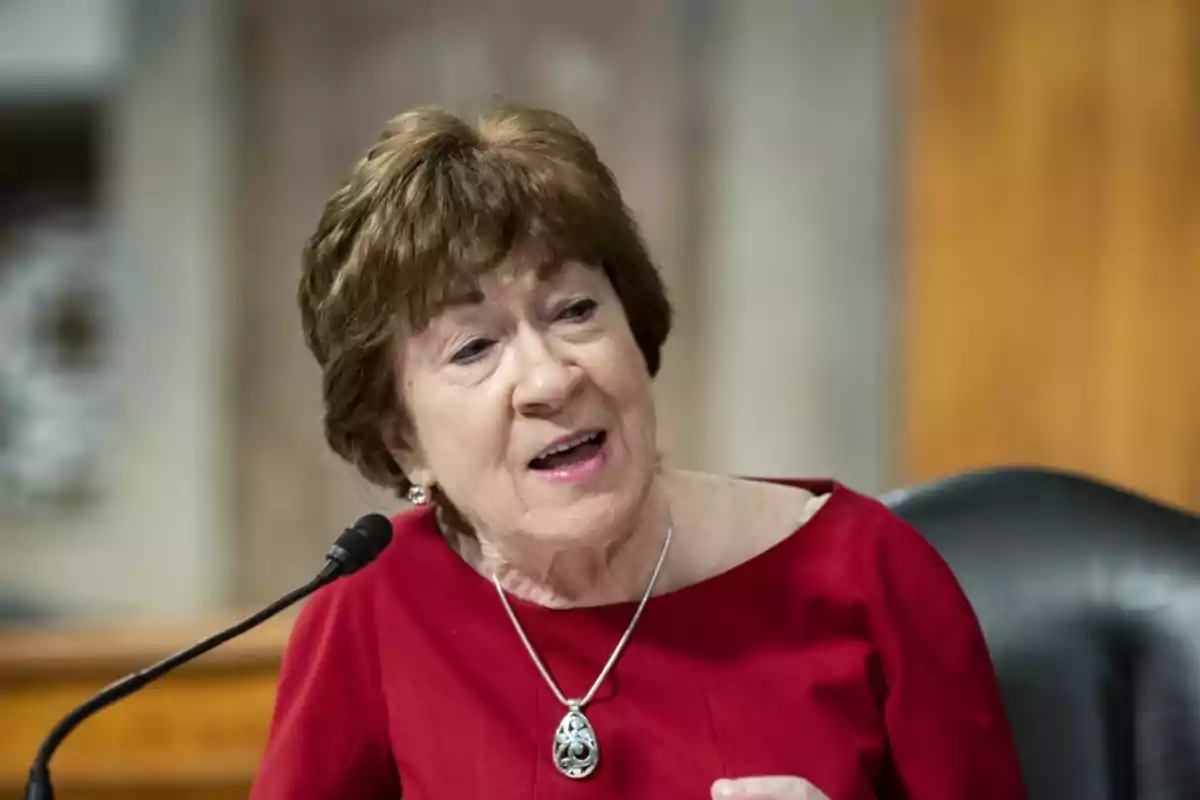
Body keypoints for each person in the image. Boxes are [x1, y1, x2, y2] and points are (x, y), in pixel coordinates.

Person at [249, 105, 1025, 800]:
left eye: (576, 310)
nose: (550, 378)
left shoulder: (872, 576)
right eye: (474, 347)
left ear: (635, 327)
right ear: (401, 440)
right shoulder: (376, 607)